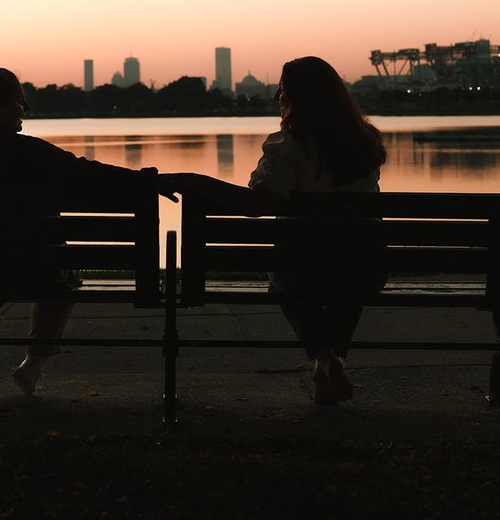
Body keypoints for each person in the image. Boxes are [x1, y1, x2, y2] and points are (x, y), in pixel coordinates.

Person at [160, 56, 387, 405]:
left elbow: (256, 206)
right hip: (365, 266)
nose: (278, 98)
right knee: (349, 278)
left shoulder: (289, 146)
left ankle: (325, 359)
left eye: (282, 91)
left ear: (294, 98)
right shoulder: (366, 142)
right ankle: (331, 361)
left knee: (283, 279)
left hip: (305, 264)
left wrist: (195, 181)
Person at [0, 62, 164, 398]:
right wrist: (149, 181)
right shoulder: (32, 153)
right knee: (62, 273)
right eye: (18, 102)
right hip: (34, 272)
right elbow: (89, 175)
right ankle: (33, 366)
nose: (24, 109)